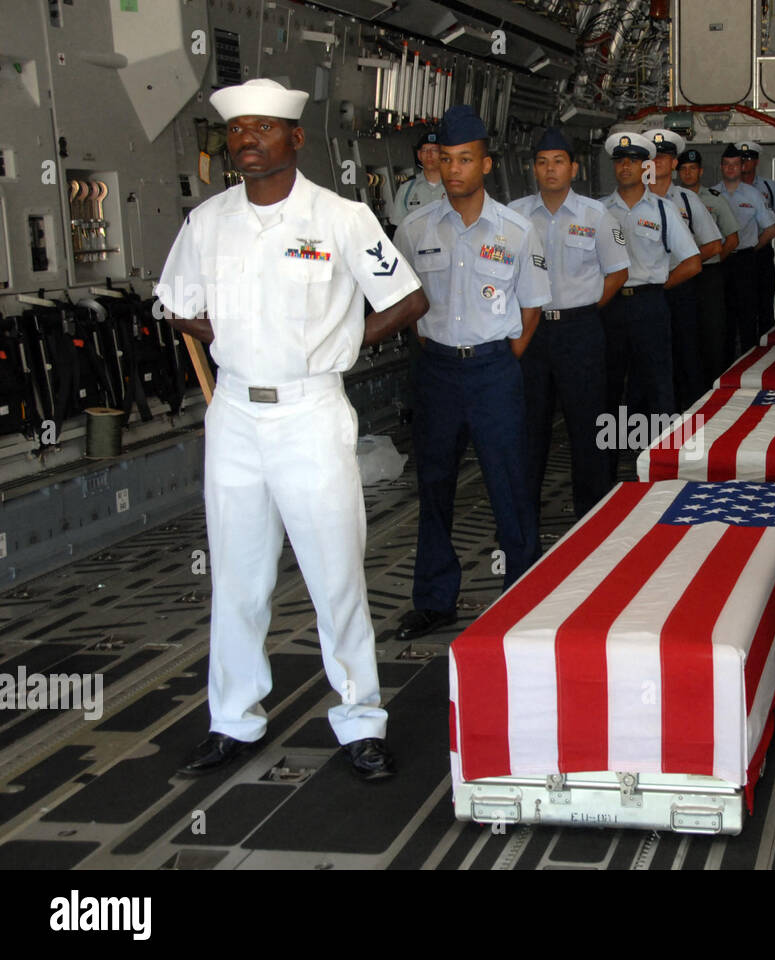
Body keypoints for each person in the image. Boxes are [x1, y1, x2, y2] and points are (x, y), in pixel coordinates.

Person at [157, 78, 429, 781]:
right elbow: (176, 302)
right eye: (237, 130)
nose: (246, 140)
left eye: (263, 129)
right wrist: (227, 338)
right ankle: (233, 720)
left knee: (334, 574)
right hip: (236, 416)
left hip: (310, 413)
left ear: (295, 139)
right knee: (239, 579)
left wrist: (342, 344)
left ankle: (361, 720)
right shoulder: (207, 222)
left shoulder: (341, 218)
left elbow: (407, 297)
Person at [391, 105, 551, 642]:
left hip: (493, 371)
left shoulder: (516, 230)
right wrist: (435, 350)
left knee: (509, 484)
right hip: (436, 371)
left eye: (465, 159)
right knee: (433, 487)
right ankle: (434, 599)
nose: (454, 169)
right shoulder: (413, 229)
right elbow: (404, 303)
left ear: (486, 164)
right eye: (446, 159)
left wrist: (505, 359)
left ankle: (523, 595)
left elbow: (531, 306)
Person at [508, 127, 629, 522]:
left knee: (587, 424)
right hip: (532, 330)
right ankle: (523, 518)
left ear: (573, 168)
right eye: (542, 163)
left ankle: (592, 516)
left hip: (580, 331)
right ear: (533, 169)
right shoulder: (515, 215)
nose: (550, 170)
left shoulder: (597, 216)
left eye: (558, 162)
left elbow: (617, 272)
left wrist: (587, 309)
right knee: (528, 428)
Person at [600, 131, 700, 475]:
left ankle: (665, 466)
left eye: (632, 161)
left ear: (645, 167)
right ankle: (610, 467)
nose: (625, 167)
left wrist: (658, 286)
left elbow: (692, 262)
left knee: (659, 385)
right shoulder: (598, 211)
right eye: (620, 161)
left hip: (649, 305)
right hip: (610, 308)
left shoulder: (663, 209)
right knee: (610, 387)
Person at [644, 128, 722, 410]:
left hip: (679, 289)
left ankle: (691, 415)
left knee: (686, 353)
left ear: (674, 163)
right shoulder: (633, 200)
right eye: (651, 157)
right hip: (643, 293)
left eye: (663, 157)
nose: (657, 162)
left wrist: (682, 262)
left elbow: (714, 245)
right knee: (647, 360)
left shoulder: (687, 200)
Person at [677, 147, 739, 385]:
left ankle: (713, 384)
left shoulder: (713, 199)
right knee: (684, 332)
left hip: (709, 274)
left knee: (712, 331)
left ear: (701, 171)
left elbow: (732, 238)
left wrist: (714, 262)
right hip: (680, 275)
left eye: (693, 168)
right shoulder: (668, 200)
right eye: (683, 169)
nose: (688, 173)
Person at [714, 145, 775, 359]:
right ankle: (724, 367)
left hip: (745, 261)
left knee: (748, 316)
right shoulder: (712, 195)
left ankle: (749, 364)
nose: (731, 169)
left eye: (735, 165)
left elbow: (771, 229)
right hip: (720, 263)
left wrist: (752, 249)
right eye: (727, 165)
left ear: (742, 167)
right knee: (723, 319)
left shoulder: (753, 194)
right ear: (721, 167)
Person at [738, 141, 775, 334]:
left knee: (764, 304)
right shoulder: (726, 188)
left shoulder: (767, 186)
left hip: (761, 253)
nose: (745, 162)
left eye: (749, 158)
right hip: (735, 254)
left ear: (756, 161)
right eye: (741, 158)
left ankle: (764, 349)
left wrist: (768, 236)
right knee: (739, 305)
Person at [394, 131, 446, 220]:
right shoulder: (406, 190)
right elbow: (398, 228)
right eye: (424, 150)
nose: (429, 155)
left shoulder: (455, 187)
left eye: (434, 150)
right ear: (419, 155)